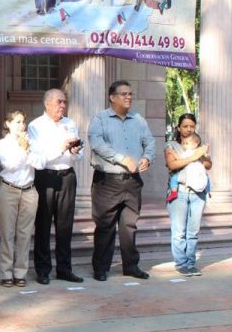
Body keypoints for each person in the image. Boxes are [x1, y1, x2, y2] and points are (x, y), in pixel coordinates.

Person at [88, 80, 155, 282]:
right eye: (124, 94)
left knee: (129, 226)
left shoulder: (139, 120)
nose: (128, 97)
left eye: (130, 94)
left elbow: (150, 142)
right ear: (112, 97)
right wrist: (121, 158)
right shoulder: (100, 119)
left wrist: (147, 158)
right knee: (105, 226)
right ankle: (101, 268)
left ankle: (131, 266)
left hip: (133, 181)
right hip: (107, 181)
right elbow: (97, 144)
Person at [28, 89, 85, 285]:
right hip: (46, 177)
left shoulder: (70, 124)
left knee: (65, 226)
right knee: (43, 224)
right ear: (47, 104)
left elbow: (78, 155)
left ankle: (64, 269)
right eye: (59, 102)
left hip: (67, 176)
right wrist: (61, 147)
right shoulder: (35, 126)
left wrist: (76, 150)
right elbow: (39, 158)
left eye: (64, 102)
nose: (63, 105)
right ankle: (43, 270)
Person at [0, 110, 39, 288]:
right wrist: (23, 149)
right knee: (8, 233)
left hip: (29, 190)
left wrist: (28, 148)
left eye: (23, 122)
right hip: (9, 189)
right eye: (17, 122)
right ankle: (6, 273)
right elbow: (10, 165)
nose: (21, 125)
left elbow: (39, 163)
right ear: (8, 124)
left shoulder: (32, 142)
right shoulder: (2, 144)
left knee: (25, 234)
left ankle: (20, 272)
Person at [165, 113, 212, 277]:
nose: (188, 129)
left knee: (193, 232)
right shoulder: (171, 145)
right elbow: (172, 164)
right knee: (179, 231)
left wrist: (200, 153)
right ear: (178, 128)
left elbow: (208, 164)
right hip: (179, 193)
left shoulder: (199, 146)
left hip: (198, 193)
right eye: (185, 126)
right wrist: (195, 156)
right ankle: (181, 263)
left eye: (191, 126)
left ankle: (191, 263)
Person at [165, 133, 210, 203]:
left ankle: (174, 192)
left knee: (174, 178)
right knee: (206, 178)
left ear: (195, 144)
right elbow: (206, 158)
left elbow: (180, 159)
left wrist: (173, 153)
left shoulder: (189, 152)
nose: (184, 145)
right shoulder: (199, 151)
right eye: (183, 143)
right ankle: (208, 191)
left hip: (189, 172)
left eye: (186, 143)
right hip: (199, 172)